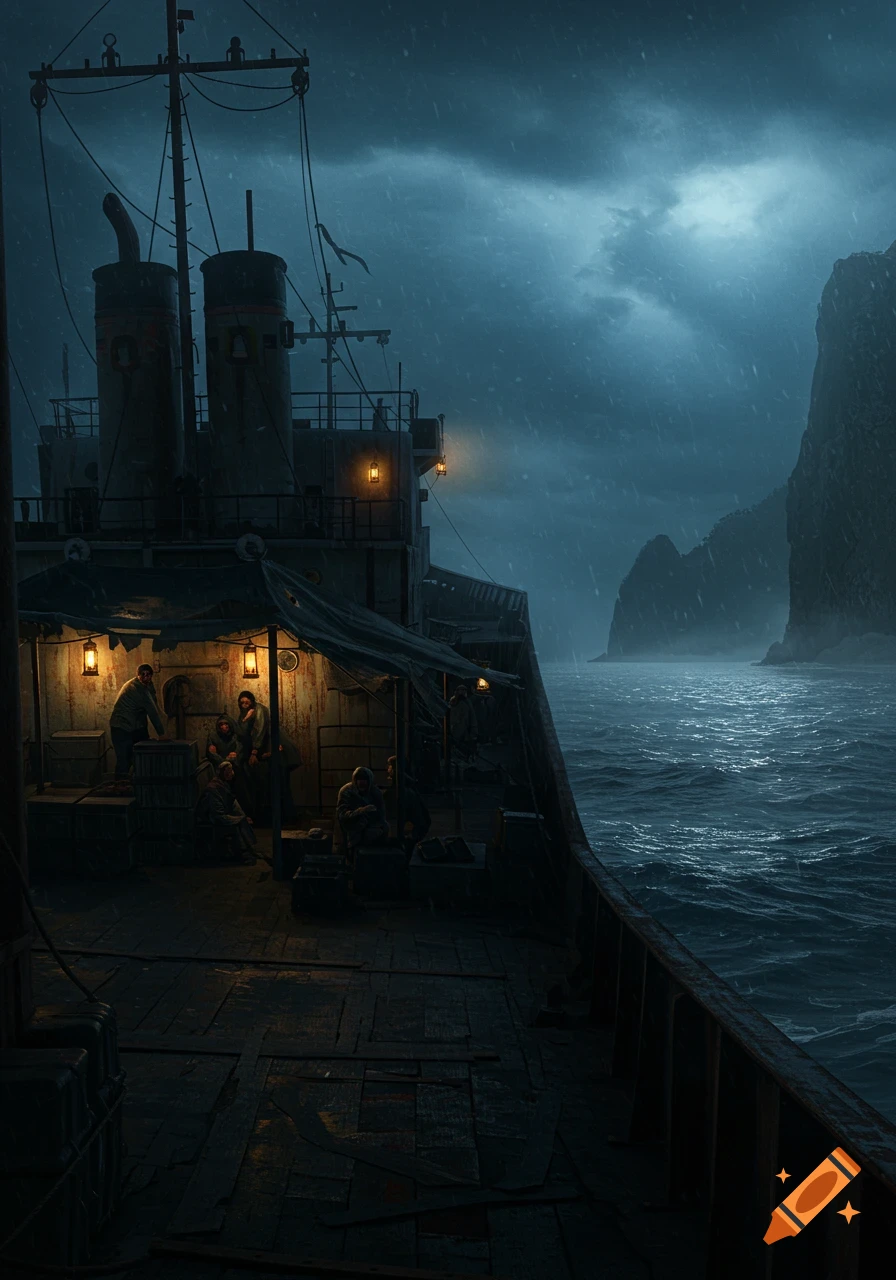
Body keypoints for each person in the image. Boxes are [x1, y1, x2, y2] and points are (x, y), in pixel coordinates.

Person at [236, 690, 300, 823]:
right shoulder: (246, 713)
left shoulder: (260, 710)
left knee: (280, 784)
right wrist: (245, 719)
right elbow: (240, 733)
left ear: (252, 701)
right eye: (241, 702)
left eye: (247, 702)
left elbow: (260, 730)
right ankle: (279, 819)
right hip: (268, 751)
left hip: (277, 749)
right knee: (271, 785)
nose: (244, 704)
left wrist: (254, 752)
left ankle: (287, 819)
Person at [110, 663, 166, 780]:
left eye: (148, 675)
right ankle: (120, 788)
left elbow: (152, 704)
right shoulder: (137, 689)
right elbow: (152, 712)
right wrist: (161, 734)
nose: (146, 677)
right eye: (143, 675)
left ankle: (136, 785)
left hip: (132, 726)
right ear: (138, 675)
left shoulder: (144, 686)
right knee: (124, 760)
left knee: (138, 756)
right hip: (121, 727)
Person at [196, 760, 256, 864]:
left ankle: (249, 850)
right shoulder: (214, 790)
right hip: (212, 819)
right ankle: (243, 854)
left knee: (240, 818)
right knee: (237, 824)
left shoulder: (223, 786)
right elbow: (218, 816)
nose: (232, 774)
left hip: (219, 815)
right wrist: (239, 819)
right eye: (229, 771)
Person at [336, 765, 389, 852]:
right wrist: (360, 811)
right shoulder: (346, 791)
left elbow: (382, 816)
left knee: (384, 828)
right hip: (351, 826)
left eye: (364, 779)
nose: (362, 782)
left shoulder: (375, 792)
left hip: (371, 825)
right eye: (359, 779)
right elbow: (342, 815)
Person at [386, 755, 431, 849]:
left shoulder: (402, 791)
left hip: (402, 837)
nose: (388, 768)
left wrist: (409, 837)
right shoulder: (407, 787)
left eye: (390, 766)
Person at [448, 684, 478, 759]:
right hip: (456, 730)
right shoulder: (453, 702)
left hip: (465, 732)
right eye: (460, 691)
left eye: (463, 691)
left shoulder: (467, 702)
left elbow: (470, 717)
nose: (462, 692)